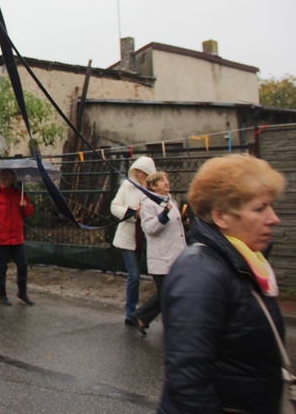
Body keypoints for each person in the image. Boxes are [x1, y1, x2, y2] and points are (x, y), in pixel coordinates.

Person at [159, 154, 286, 412]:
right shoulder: (201, 272)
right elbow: (188, 383)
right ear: (221, 216)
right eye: (260, 208)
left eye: (271, 207)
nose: (274, 218)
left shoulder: (248, 265)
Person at [126, 171, 186, 335]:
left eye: (166, 179)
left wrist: (184, 221)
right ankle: (171, 327)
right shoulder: (148, 204)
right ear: (152, 186)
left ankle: (140, 317)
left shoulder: (169, 199)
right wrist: (163, 216)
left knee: (168, 293)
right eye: (161, 181)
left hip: (176, 255)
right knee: (167, 294)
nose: (166, 183)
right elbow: (150, 229)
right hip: (162, 258)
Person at [110, 155, 156, 326]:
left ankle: (148, 313)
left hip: (149, 236)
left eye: (141, 173)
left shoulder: (153, 190)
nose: (138, 176)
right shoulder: (127, 186)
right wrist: (132, 213)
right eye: (136, 172)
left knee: (157, 276)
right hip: (128, 237)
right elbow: (114, 206)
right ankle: (131, 313)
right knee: (134, 275)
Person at [0, 168, 35, 306]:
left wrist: (25, 206)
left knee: (23, 265)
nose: (2, 180)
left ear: (13, 180)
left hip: (17, 237)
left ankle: (22, 294)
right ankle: (1, 295)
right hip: (0, 238)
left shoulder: (20, 195)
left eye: (5, 178)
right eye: (1, 177)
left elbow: (29, 213)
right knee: (2, 267)